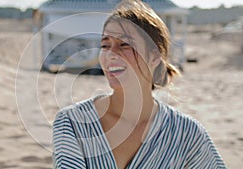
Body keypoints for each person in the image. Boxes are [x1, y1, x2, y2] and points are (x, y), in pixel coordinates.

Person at [52, 0, 226, 168]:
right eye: (105, 45)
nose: (111, 54)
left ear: (154, 57)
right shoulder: (72, 123)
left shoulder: (187, 133)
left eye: (125, 45)